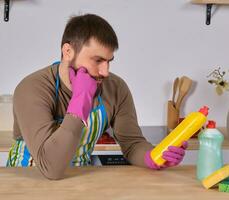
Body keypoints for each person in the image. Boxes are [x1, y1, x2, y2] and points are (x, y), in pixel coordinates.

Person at [6, 14, 188, 180]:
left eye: (109, 61)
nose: (105, 72)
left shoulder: (115, 88)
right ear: (67, 52)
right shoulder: (32, 88)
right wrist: (81, 99)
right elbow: (50, 167)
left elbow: (132, 144)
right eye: (97, 60)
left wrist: (154, 156)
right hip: (30, 178)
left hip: (79, 178)